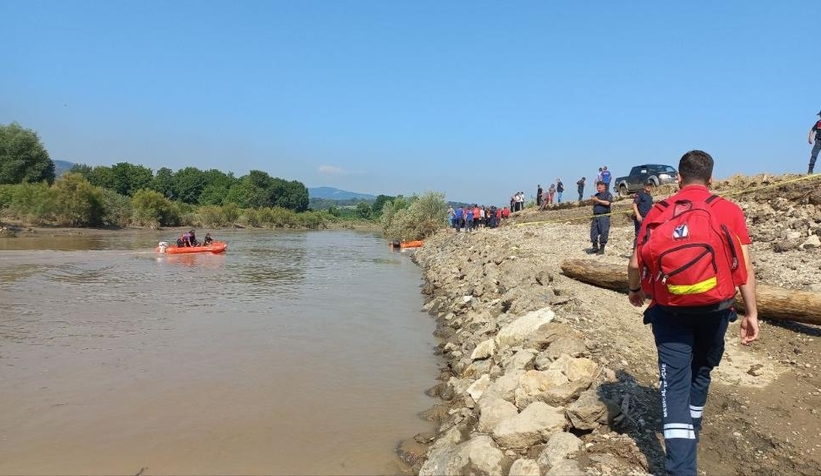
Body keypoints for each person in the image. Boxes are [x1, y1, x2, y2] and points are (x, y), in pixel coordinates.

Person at [627, 150, 759, 476]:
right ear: (711, 179)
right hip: (716, 308)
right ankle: (693, 430)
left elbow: (634, 263)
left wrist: (635, 290)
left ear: (679, 179)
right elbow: (744, 269)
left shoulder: (659, 211)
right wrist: (751, 313)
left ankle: (682, 467)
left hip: (669, 310)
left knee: (674, 385)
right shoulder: (728, 210)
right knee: (701, 371)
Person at [589, 181, 612, 254]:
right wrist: (593, 200)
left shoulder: (608, 194)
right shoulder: (596, 195)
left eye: (600, 188)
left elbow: (607, 203)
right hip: (596, 216)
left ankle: (602, 248)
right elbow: (594, 204)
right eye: (597, 188)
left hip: (604, 216)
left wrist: (597, 200)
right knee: (593, 232)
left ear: (604, 187)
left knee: (604, 232)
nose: (598, 189)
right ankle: (595, 247)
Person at [632, 180, 654, 247]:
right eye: (647, 185)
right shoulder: (640, 194)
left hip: (648, 218)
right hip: (641, 217)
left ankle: (643, 250)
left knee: (647, 235)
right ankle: (636, 251)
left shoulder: (650, 196)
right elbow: (634, 204)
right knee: (639, 235)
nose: (649, 187)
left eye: (650, 185)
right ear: (644, 186)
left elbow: (650, 206)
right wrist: (638, 215)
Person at [807, 109, 821, 174]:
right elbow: (812, 130)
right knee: (814, 155)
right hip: (818, 141)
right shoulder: (818, 123)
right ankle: (810, 170)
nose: (820, 116)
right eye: (820, 115)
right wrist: (810, 138)